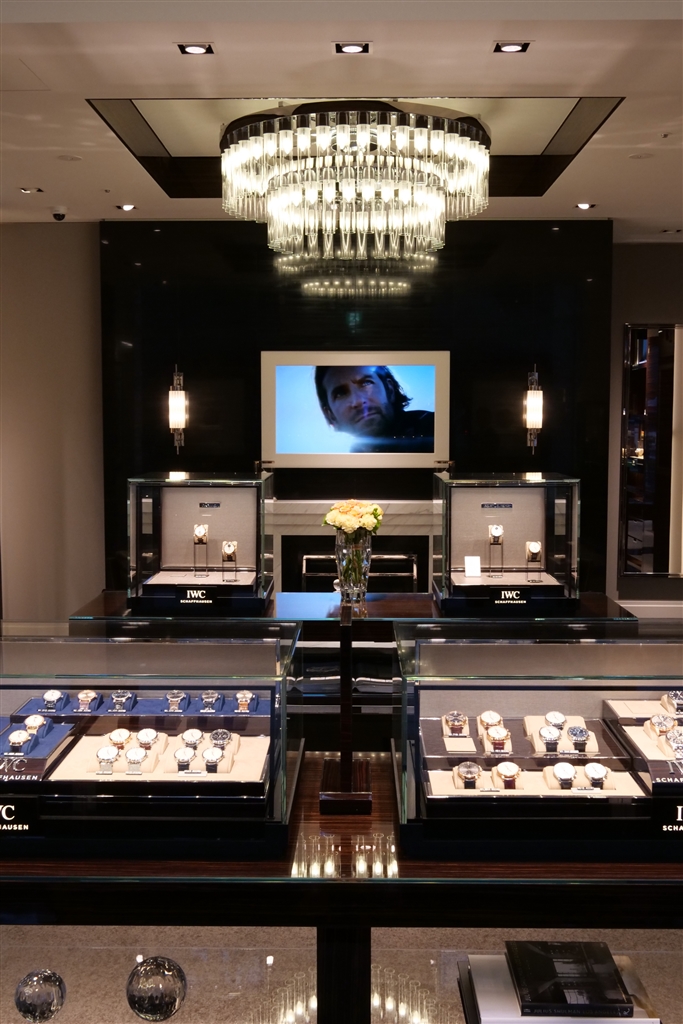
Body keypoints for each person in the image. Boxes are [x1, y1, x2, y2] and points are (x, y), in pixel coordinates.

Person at [314, 365, 434, 453]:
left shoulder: (433, 428)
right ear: (330, 414)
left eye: (366, 383)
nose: (358, 401)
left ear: (390, 389)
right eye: (340, 394)